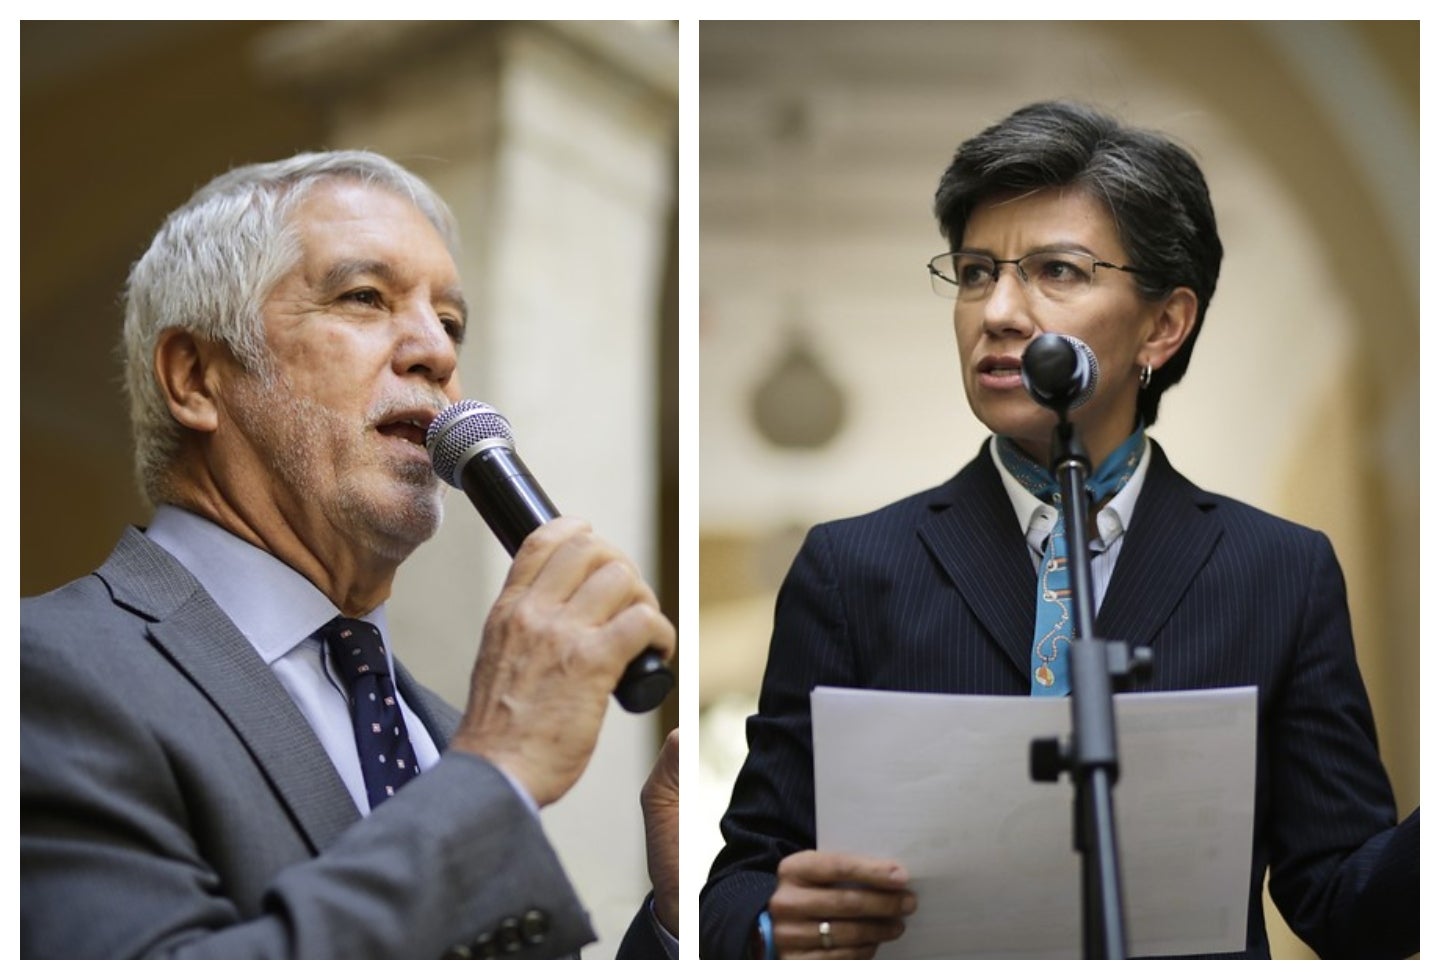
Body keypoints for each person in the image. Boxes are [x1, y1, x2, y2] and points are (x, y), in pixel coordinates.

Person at [700, 101, 1419, 959]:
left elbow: (1346, 903)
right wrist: (777, 923)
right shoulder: (852, 570)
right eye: (974, 272)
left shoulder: (1279, 572)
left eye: (1057, 271)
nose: (998, 310)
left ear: (1164, 323)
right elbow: (741, 881)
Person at [21, 150, 679, 959]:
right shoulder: (45, 669)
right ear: (194, 378)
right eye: (364, 298)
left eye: (451, 322)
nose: (436, 353)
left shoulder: (436, 730)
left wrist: (675, 929)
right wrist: (497, 775)